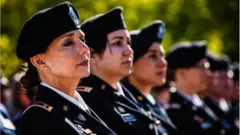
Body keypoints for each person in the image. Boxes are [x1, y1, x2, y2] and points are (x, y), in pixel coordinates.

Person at [16, 2, 116, 135]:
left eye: (82, 39)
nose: (84, 49)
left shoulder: (85, 105)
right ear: (39, 61)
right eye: (68, 43)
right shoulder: (40, 119)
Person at [78, 7, 160, 135]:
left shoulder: (126, 93)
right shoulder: (88, 102)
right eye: (117, 43)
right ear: (92, 55)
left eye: (128, 42)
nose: (129, 51)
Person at [121, 21, 179, 135]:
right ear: (131, 63)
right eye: (153, 56)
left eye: (162, 55)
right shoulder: (127, 104)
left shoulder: (152, 103)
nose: (163, 63)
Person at [165, 41, 230, 135]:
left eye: (207, 67)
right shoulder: (176, 112)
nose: (208, 73)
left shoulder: (203, 103)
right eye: (202, 67)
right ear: (182, 73)